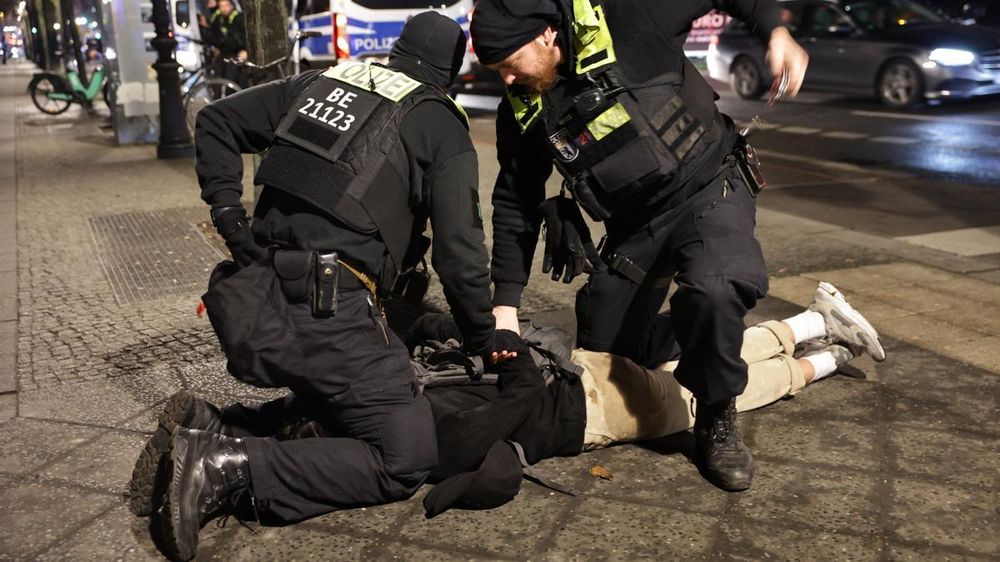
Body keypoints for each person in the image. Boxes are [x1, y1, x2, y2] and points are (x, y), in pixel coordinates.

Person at [127, 12, 516, 561]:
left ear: (397, 52)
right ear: (448, 74)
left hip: (259, 301)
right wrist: (483, 336)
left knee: (340, 406)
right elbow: (460, 255)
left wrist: (230, 219)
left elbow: (215, 120)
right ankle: (226, 466)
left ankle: (219, 424)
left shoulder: (322, 83)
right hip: (329, 310)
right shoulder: (439, 122)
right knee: (404, 455)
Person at [130, 280, 887, 522]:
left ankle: (823, 337)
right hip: (584, 383)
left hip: (592, 402)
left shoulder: (419, 439)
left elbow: (501, 431)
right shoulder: (400, 409)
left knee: (727, 392)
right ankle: (821, 328)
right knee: (717, 374)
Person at [468, 0, 815, 491]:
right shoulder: (526, 106)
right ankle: (701, 334)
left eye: (509, 63)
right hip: (637, 226)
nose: (505, 79)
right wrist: (504, 305)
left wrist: (776, 31)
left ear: (548, 34)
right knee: (608, 363)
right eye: (495, 69)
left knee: (715, 288)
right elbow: (515, 203)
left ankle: (717, 411)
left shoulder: (629, 19)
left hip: (707, 187)